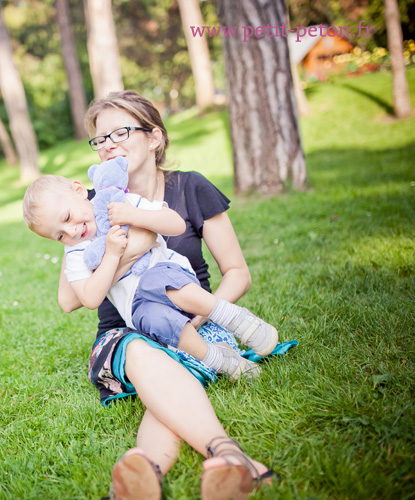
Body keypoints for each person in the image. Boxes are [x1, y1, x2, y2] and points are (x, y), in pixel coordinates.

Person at [56, 91, 285, 499]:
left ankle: (147, 472)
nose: (108, 144)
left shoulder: (190, 188)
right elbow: (71, 299)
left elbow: (237, 272)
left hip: (192, 316)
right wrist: (116, 249)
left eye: (119, 132)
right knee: (150, 356)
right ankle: (233, 459)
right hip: (125, 332)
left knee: (164, 375)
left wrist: (195, 319)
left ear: (154, 138)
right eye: (99, 138)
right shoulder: (90, 209)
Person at [22, 171, 278, 380]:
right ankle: (222, 362)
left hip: (169, 276)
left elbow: (176, 224)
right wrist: (111, 256)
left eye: (67, 217)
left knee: (154, 283)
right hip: (137, 308)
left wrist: (134, 215)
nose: (71, 231)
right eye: (59, 235)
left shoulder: (118, 203)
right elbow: (89, 298)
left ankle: (237, 318)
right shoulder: (76, 252)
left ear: (78, 190)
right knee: (157, 321)